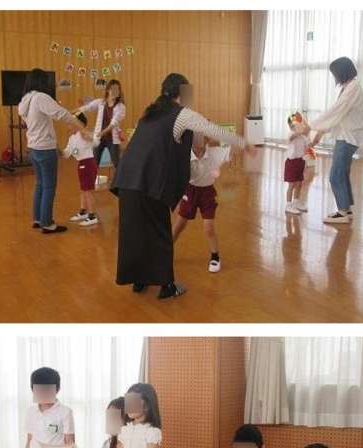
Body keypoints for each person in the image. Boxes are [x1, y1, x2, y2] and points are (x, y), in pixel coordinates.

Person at [110, 72, 257, 300]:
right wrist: (243, 142)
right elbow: (211, 129)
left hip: (127, 179)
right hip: (148, 182)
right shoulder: (181, 114)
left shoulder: (151, 113)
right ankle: (166, 286)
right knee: (160, 232)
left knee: (136, 232)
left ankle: (139, 281)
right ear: (182, 93)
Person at [18, 67, 83, 233]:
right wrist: (77, 122)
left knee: (40, 184)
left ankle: (38, 219)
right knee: (48, 187)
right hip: (45, 149)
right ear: (41, 81)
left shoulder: (26, 99)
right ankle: (47, 223)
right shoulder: (41, 97)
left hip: (33, 148)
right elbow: (60, 113)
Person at [308, 56, 363, 224]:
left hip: (347, 138)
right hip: (346, 137)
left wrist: (311, 126)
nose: (334, 77)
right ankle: (346, 210)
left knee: (336, 175)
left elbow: (335, 111)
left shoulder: (352, 88)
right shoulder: (349, 87)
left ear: (342, 72)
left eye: (334, 73)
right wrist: (319, 133)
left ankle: (342, 212)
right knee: (342, 174)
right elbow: (338, 116)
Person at [172, 135, 231, 273]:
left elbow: (232, 146)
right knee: (179, 225)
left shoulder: (215, 153)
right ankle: (165, 251)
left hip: (207, 193)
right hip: (190, 191)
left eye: (202, 137)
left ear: (207, 139)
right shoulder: (184, 155)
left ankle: (215, 256)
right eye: (195, 138)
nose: (198, 141)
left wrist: (218, 140)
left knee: (208, 228)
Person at [76, 79, 125, 171]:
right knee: (94, 163)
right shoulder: (100, 102)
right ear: (108, 90)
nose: (115, 91)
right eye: (113, 89)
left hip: (112, 139)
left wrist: (103, 132)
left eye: (117, 89)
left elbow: (113, 123)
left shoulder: (121, 107)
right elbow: (87, 108)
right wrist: (72, 111)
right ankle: (91, 179)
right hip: (99, 138)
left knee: (117, 164)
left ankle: (120, 180)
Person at [62, 113, 100, 226]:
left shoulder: (84, 134)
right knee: (83, 190)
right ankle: (83, 212)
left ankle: (92, 216)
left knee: (88, 191)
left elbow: (95, 141)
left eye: (72, 123)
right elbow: (67, 153)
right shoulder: (72, 138)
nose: (69, 125)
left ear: (80, 124)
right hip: (81, 164)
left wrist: (85, 133)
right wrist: (57, 150)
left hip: (88, 164)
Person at [284, 112, 310, 215]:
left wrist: (306, 162)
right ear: (291, 127)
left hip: (300, 162)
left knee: (299, 184)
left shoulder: (303, 137)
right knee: (292, 185)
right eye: (296, 125)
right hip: (291, 163)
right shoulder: (291, 134)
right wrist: (302, 129)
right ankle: (288, 205)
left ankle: (296, 202)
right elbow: (295, 135)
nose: (300, 126)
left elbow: (308, 147)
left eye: (300, 124)